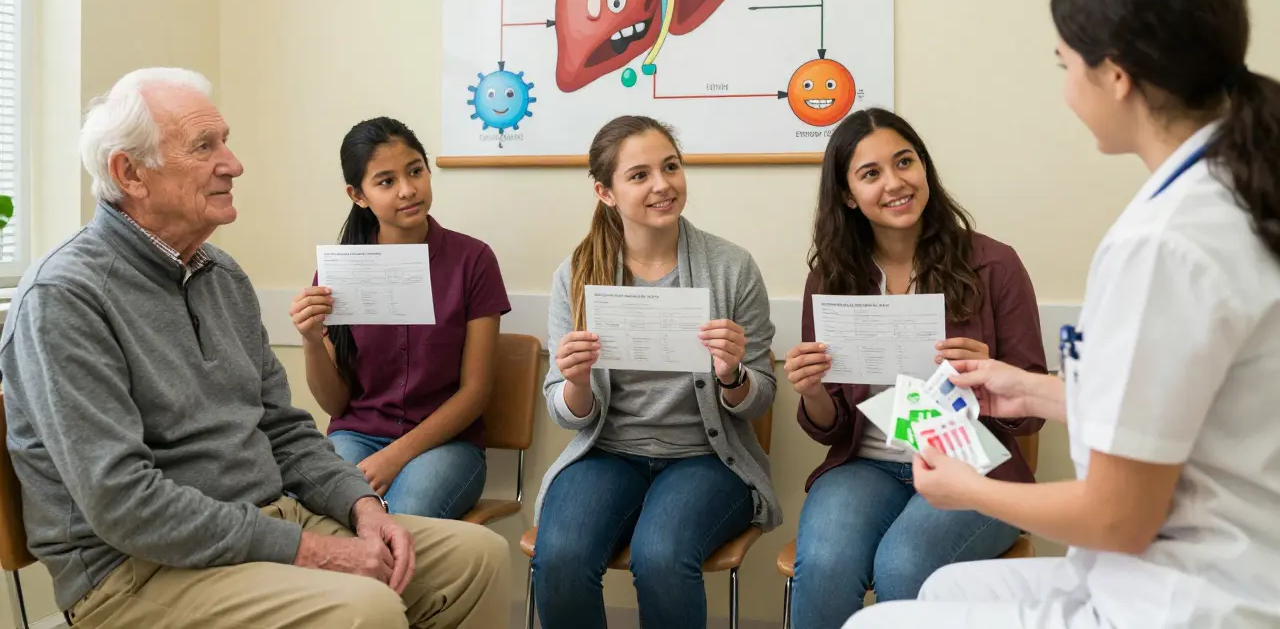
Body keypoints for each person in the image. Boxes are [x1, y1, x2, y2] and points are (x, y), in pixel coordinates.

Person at [847, 0, 1280, 629]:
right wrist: (1028, 388)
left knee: (873, 623)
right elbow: (1172, 407)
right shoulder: (1233, 192)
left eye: (1066, 65)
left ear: (1117, 76)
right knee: (937, 594)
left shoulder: (1164, 244)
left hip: (1188, 597)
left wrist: (969, 491)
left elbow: (1117, 516)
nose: (1065, 88)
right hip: (1214, 561)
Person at [0, 68, 511, 627]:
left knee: (477, 557)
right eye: (205, 147)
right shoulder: (65, 297)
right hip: (136, 569)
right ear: (131, 173)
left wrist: (362, 506)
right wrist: (312, 550)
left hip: (269, 518)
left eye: (225, 141)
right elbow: (124, 503)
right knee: (365, 608)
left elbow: (285, 429)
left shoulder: (222, 275)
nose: (234, 163)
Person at [783, 108, 1047, 626]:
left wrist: (992, 373)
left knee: (906, 565)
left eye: (905, 162)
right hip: (865, 466)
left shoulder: (994, 265)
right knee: (826, 564)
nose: (895, 182)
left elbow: (1032, 412)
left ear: (924, 167)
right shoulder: (831, 280)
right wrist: (812, 390)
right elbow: (829, 425)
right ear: (845, 194)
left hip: (973, 465)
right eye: (871, 173)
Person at [529, 115, 780, 629]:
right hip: (608, 453)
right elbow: (566, 413)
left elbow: (762, 397)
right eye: (639, 175)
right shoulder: (576, 273)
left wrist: (733, 374)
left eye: (670, 167)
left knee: (662, 556)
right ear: (606, 192)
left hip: (708, 458)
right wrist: (576, 382)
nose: (663, 185)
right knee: (559, 556)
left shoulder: (732, 268)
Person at [288, 117, 510, 519]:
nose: (408, 190)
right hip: (355, 436)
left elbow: (475, 393)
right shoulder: (341, 270)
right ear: (358, 195)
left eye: (415, 171)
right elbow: (336, 402)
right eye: (386, 181)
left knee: (403, 521)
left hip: (448, 445)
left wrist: (395, 456)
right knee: (324, 518)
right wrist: (310, 340)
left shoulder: (473, 260)